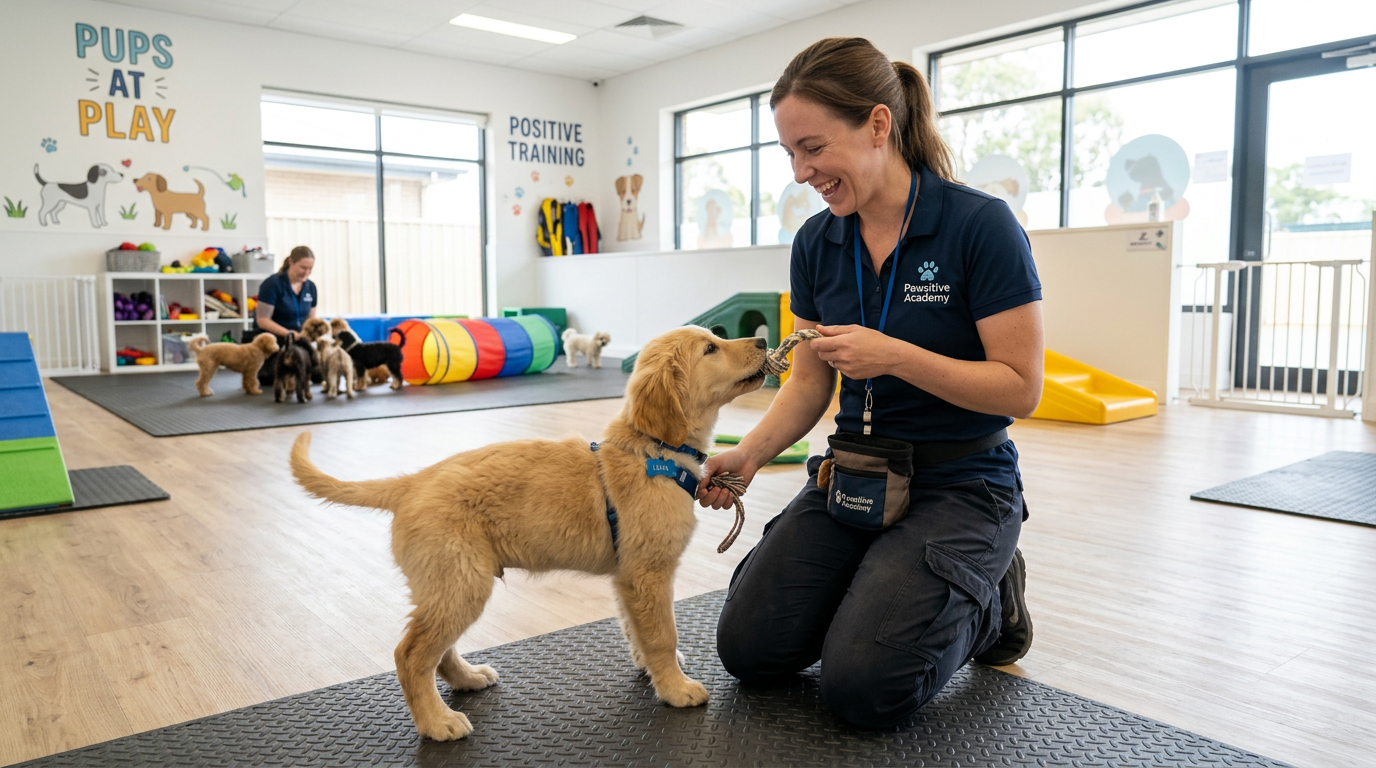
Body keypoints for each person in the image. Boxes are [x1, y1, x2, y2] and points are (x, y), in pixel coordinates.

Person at [700, 37, 1044, 729]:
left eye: (814, 147)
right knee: (749, 653)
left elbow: (1019, 390)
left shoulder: (979, 226)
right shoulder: (816, 244)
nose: (802, 172)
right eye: (791, 154)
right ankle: (883, 592)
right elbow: (806, 385)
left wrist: (896, 356)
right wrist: (748, 456)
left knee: (864, 691)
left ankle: (990, 605)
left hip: (962, 482)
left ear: (879, 125)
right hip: (853, 475)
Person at [252, 245, 318, 339]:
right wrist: (289, 334)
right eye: (303, 267)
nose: (306, 272)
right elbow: (263, 320)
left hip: (300, 339)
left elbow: (312, 319)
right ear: (291, 262)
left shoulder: (311, 287)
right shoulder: (271, 284)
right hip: (274, 340)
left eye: (310, 268)